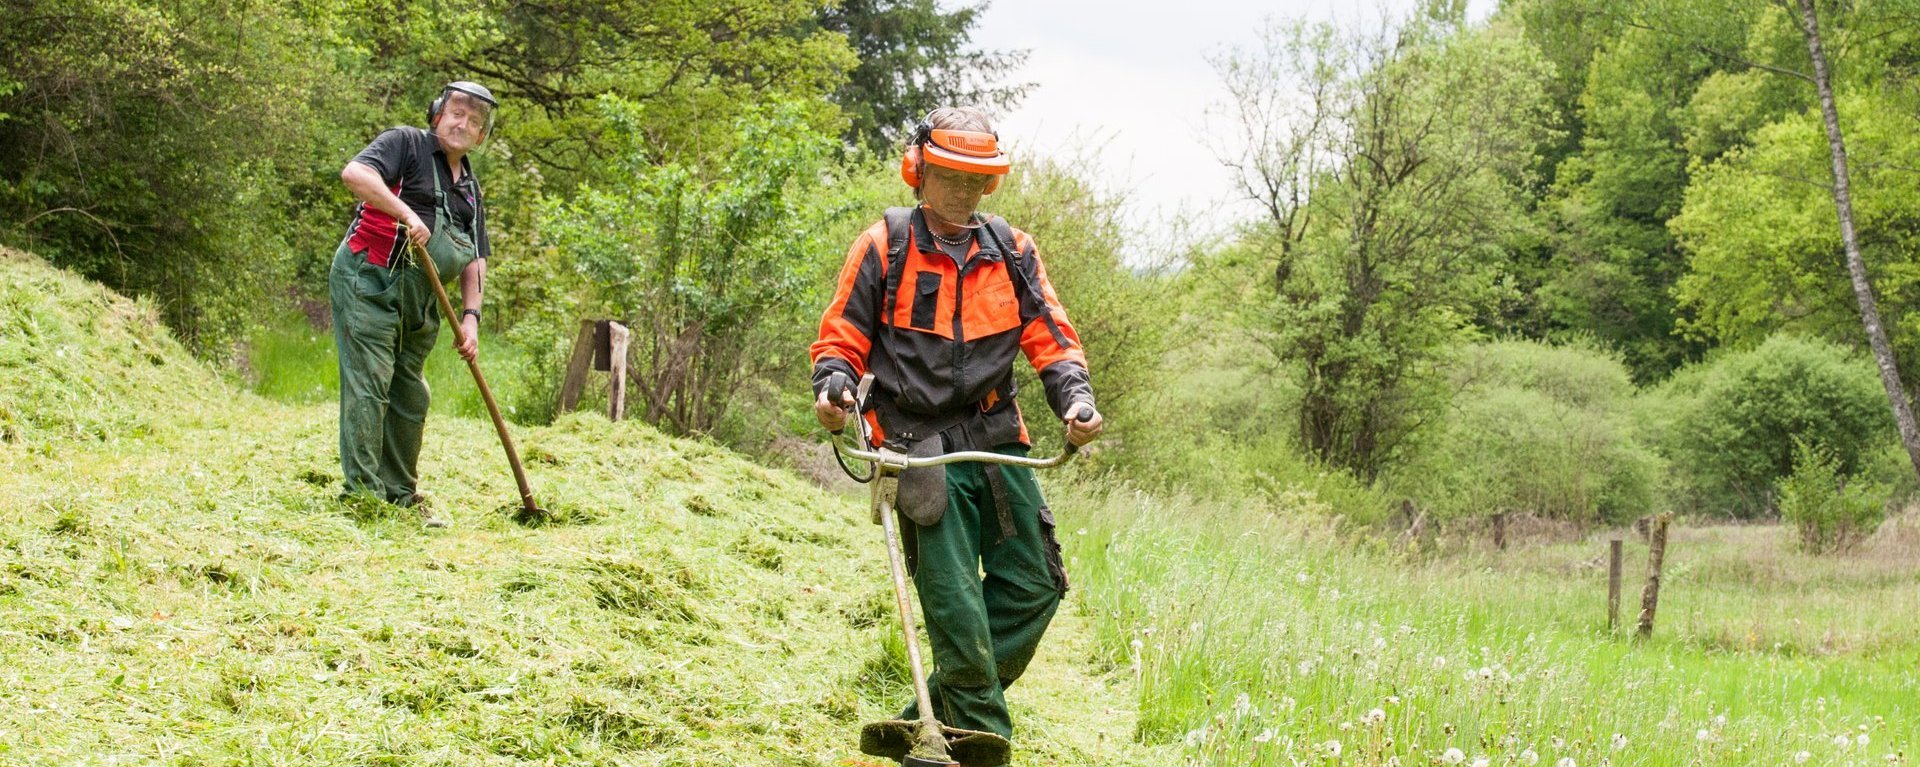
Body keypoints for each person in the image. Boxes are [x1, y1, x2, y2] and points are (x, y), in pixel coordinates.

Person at [810, 106, 1105, 758]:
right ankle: (978, 742)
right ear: (920, 172)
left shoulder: (1013, 251)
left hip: (998, 439)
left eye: (977, 180)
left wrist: (1076, 400)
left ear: (990, 183)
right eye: (950, 176)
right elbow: (840, 342)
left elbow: (1052, 339)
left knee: (1035, 586)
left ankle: (926, 717)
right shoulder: (884, 245)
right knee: (955, 601)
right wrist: (833, 389)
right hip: (916, 449)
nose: (963, 191)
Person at [330, 81, 497, 527]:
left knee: (411, 395)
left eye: (474, 121)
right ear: (438, 114)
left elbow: (474, 258)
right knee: (370, 383)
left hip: (421, 302)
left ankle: (399, 495)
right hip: (370, 280)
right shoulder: (404, 144)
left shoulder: (472, 193)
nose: (463, 124)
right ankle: (363, 498)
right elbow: (355, 175)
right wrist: (404, 213)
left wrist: (471, 320)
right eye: (457, 113)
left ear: (481, 137)